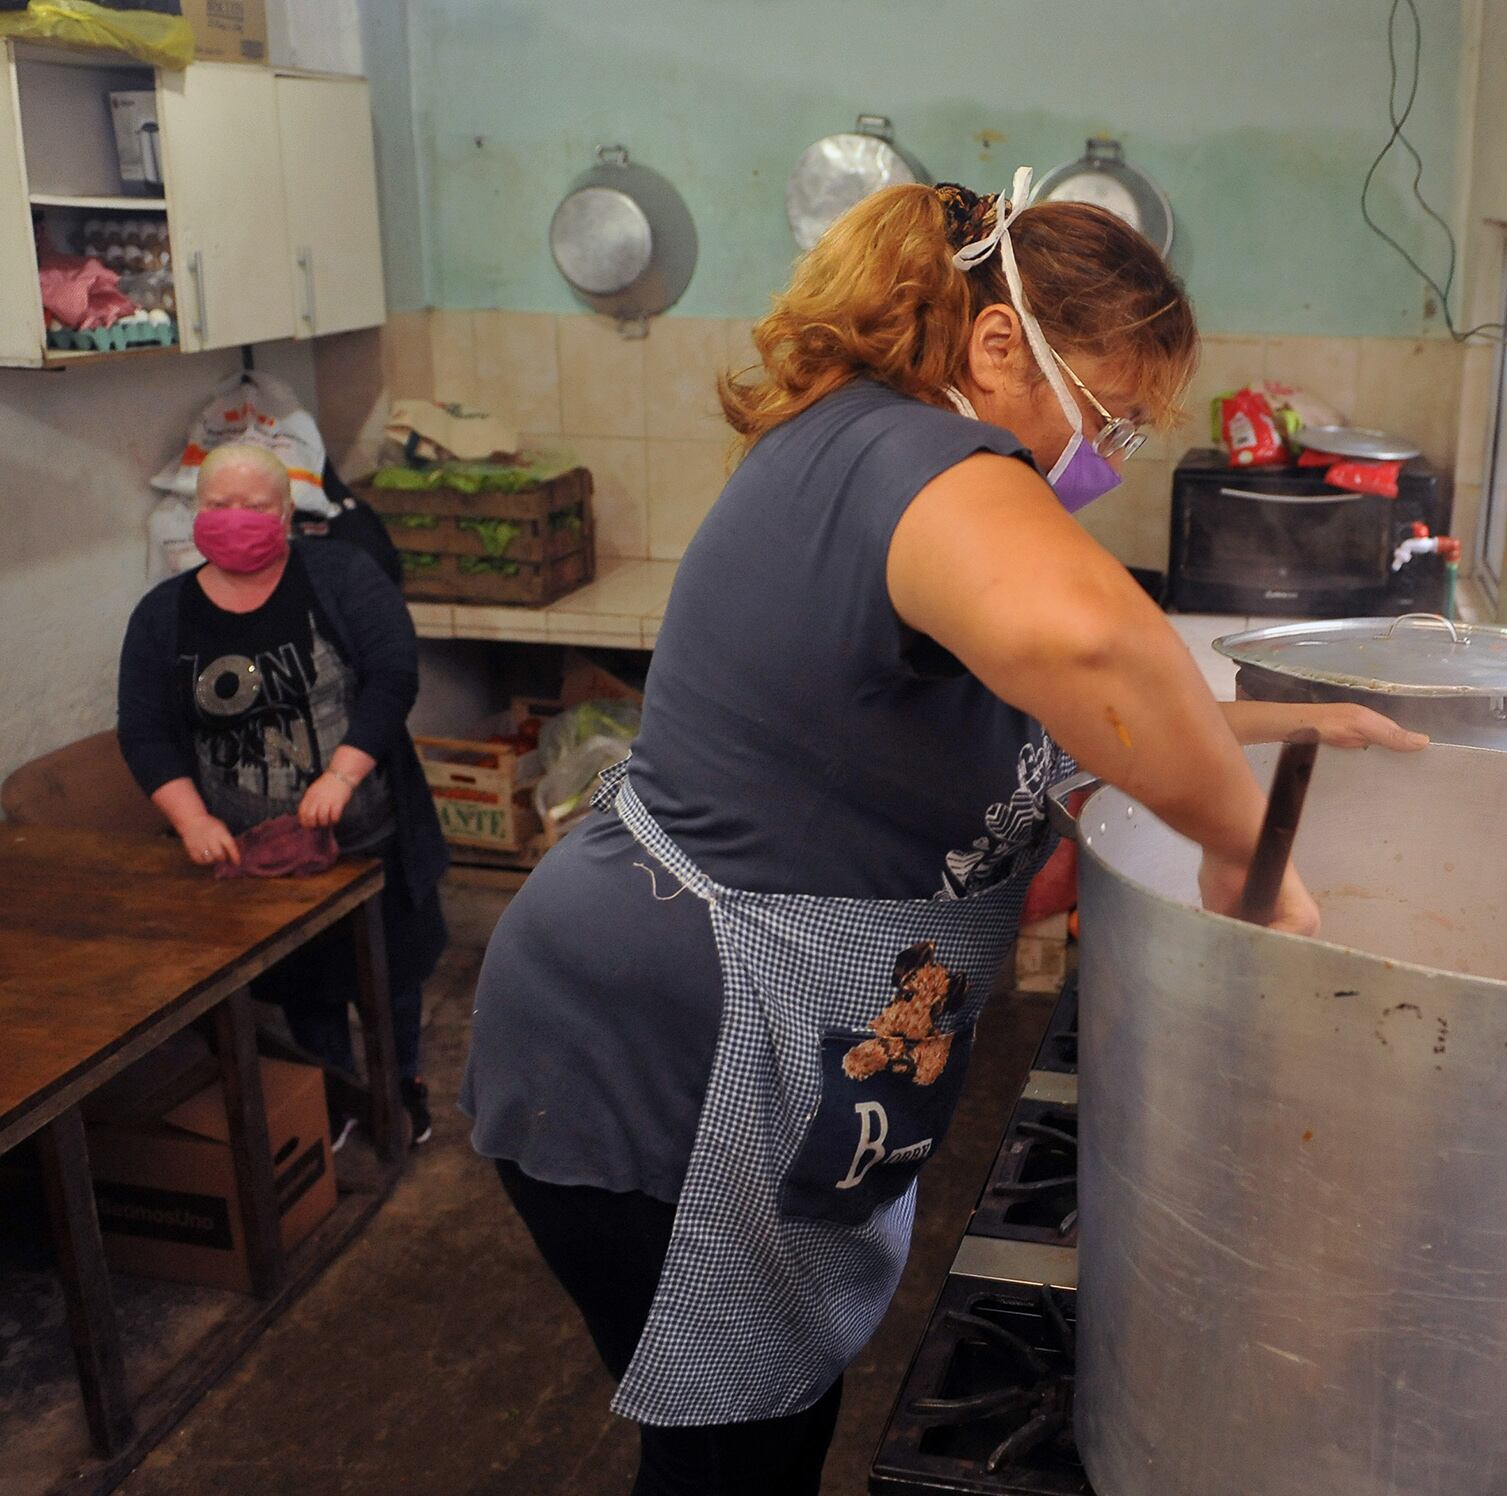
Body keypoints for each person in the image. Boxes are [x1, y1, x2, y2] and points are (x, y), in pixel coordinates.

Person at [460, 173, 1425, 1495]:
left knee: (770, 1425)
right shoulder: (915, 456)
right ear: (997, 345)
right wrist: (1245, 852)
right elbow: (1098, 647)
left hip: (730, 1024)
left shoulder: (883, 463)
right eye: (1108, 414)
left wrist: (1293, 726)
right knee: (732, 1451)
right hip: (670, 1048)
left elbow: (1056, 709)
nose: (1106, 457)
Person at [118, 443, 450, 1145]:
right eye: (219, 505)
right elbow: (145, 731)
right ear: (197, 511)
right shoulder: (162, 614)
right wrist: (192, 820)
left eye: (255, 505)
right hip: (257, 856)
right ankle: (336, 1097)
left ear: (287, 511)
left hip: (368, 840)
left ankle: (399, 1088)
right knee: (305, 985)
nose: (236, 517)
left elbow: (393, 675)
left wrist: (343, 774)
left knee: (390, 976)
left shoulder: (342, 575)